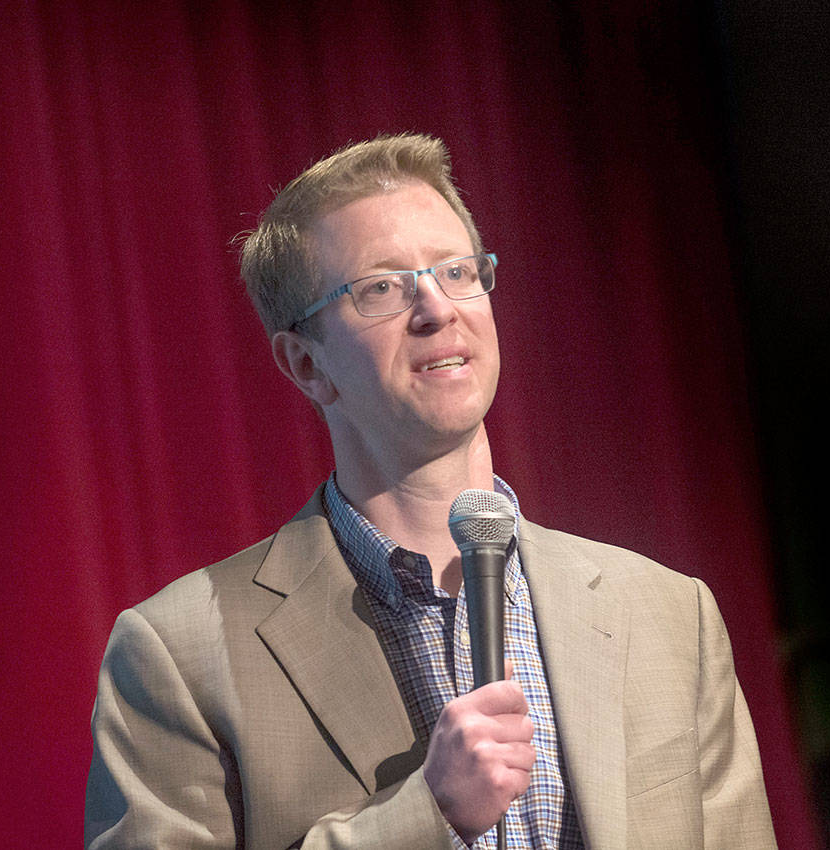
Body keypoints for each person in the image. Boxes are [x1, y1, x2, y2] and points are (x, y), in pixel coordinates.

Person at [85, 133, 779, 849]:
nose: (437, 308)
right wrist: (427, 814)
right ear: (305, 364)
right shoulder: (178, 654)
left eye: (456, 271)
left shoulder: (669, 615)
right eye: (382, 288)